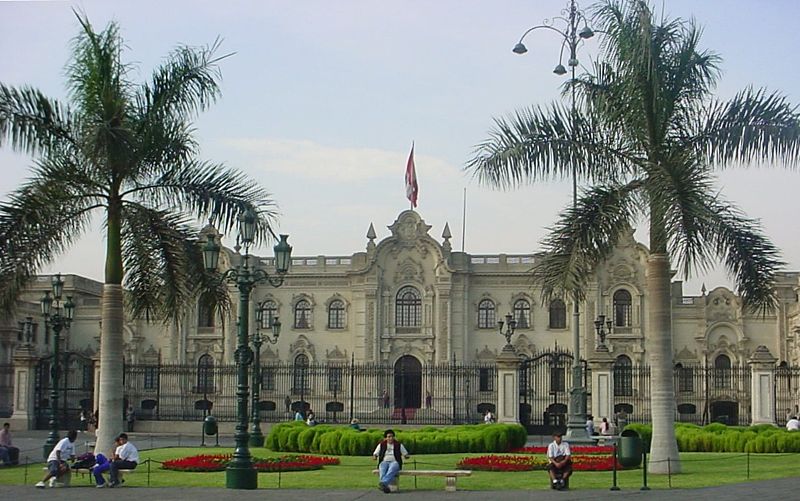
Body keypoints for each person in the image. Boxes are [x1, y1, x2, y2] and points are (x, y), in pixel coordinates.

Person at [373, 429, 409, 494]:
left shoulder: (398, 444)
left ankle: (383, 483)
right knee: (382, 469)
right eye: (389, 437)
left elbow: (405, 454)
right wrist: (375, 457)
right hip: (384, 461)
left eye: (392, 436)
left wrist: (406, 456)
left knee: (392, 468)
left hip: (395, 461)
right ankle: (385, 486)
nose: (391, 438)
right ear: (386, 438)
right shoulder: (381, 444)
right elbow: (375, 453)